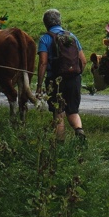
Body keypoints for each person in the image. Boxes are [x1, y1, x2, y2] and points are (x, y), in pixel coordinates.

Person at [36, 9, 88, 141]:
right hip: (74, 79)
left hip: (55, 80)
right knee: (73, 111)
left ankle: (60, 144)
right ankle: (79, 131)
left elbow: (43, 63)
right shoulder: (72, 36)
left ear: (46, 23)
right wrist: (76, 74)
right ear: (59, 21)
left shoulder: (45, 39)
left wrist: (39, 84)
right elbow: (83, 60)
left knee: (58, 113)